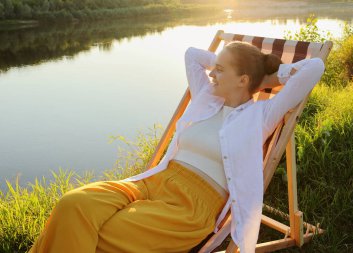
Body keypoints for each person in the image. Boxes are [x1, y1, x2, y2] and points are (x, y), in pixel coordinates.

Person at [29, 41, 325, 253]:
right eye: (215, 68)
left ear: (243, 80)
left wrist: (270, 77)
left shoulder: (261, 116)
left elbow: (315, 66)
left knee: (108, 234)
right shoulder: (205, 97)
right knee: (73, 204)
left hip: (191, 208)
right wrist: (230, 63)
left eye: (220, 70)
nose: (212, 74)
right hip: (153, 182)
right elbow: (192, 55)